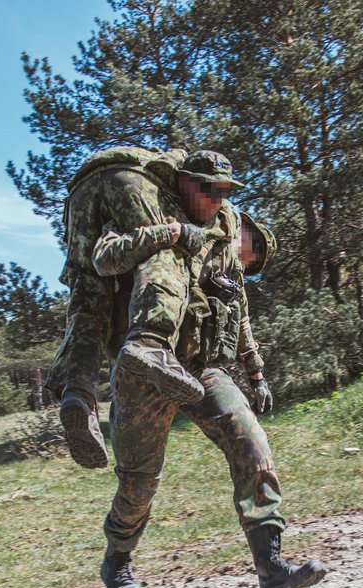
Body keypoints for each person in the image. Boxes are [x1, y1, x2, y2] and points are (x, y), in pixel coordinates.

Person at [96, 202, 327, 588]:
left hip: (201, 369)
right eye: (251, 249)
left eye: (252, 262)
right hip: (145, 369)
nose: (246, 259)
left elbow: (240, 322)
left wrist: (255, 371)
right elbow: (107, 258)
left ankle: (272, 569)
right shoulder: (168, 225)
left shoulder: (228, 269)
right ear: (243, 227)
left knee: (250, 442)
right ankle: (117, 558)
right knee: (139, 480)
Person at [46, 148, 239, 469]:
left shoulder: (161, 165)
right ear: (185, 179)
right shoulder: (165, 186)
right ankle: (150, 343)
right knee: (167, 252)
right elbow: (186, 238)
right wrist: (177, 231)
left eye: (224, 192)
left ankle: (77, 394)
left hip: (78, 193)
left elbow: (103, 262)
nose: (217, 199)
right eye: (211, 190)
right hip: (125, 182)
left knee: (88, 301)